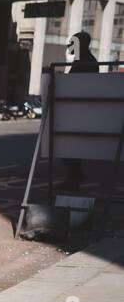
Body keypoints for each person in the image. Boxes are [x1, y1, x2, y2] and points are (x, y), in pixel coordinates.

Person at [63, 31, 98, 190]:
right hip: (76, 110)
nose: (69, 46)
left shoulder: (86, 62)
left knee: (69, 145)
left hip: (79, 111)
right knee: (68, 146)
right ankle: (74, 176)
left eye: (72, 43)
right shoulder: (82, 60)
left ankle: (74, 177)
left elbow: (74, 84)